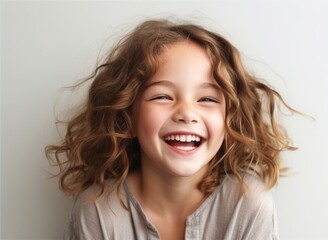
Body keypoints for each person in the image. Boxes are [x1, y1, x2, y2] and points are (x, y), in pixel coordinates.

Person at [46, 19, 296, 240]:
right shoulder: (97, 211)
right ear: (127, 117)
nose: (186, 113)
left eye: (207, 99)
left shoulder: (248, 205)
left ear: (229, 121)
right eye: (163, 96)